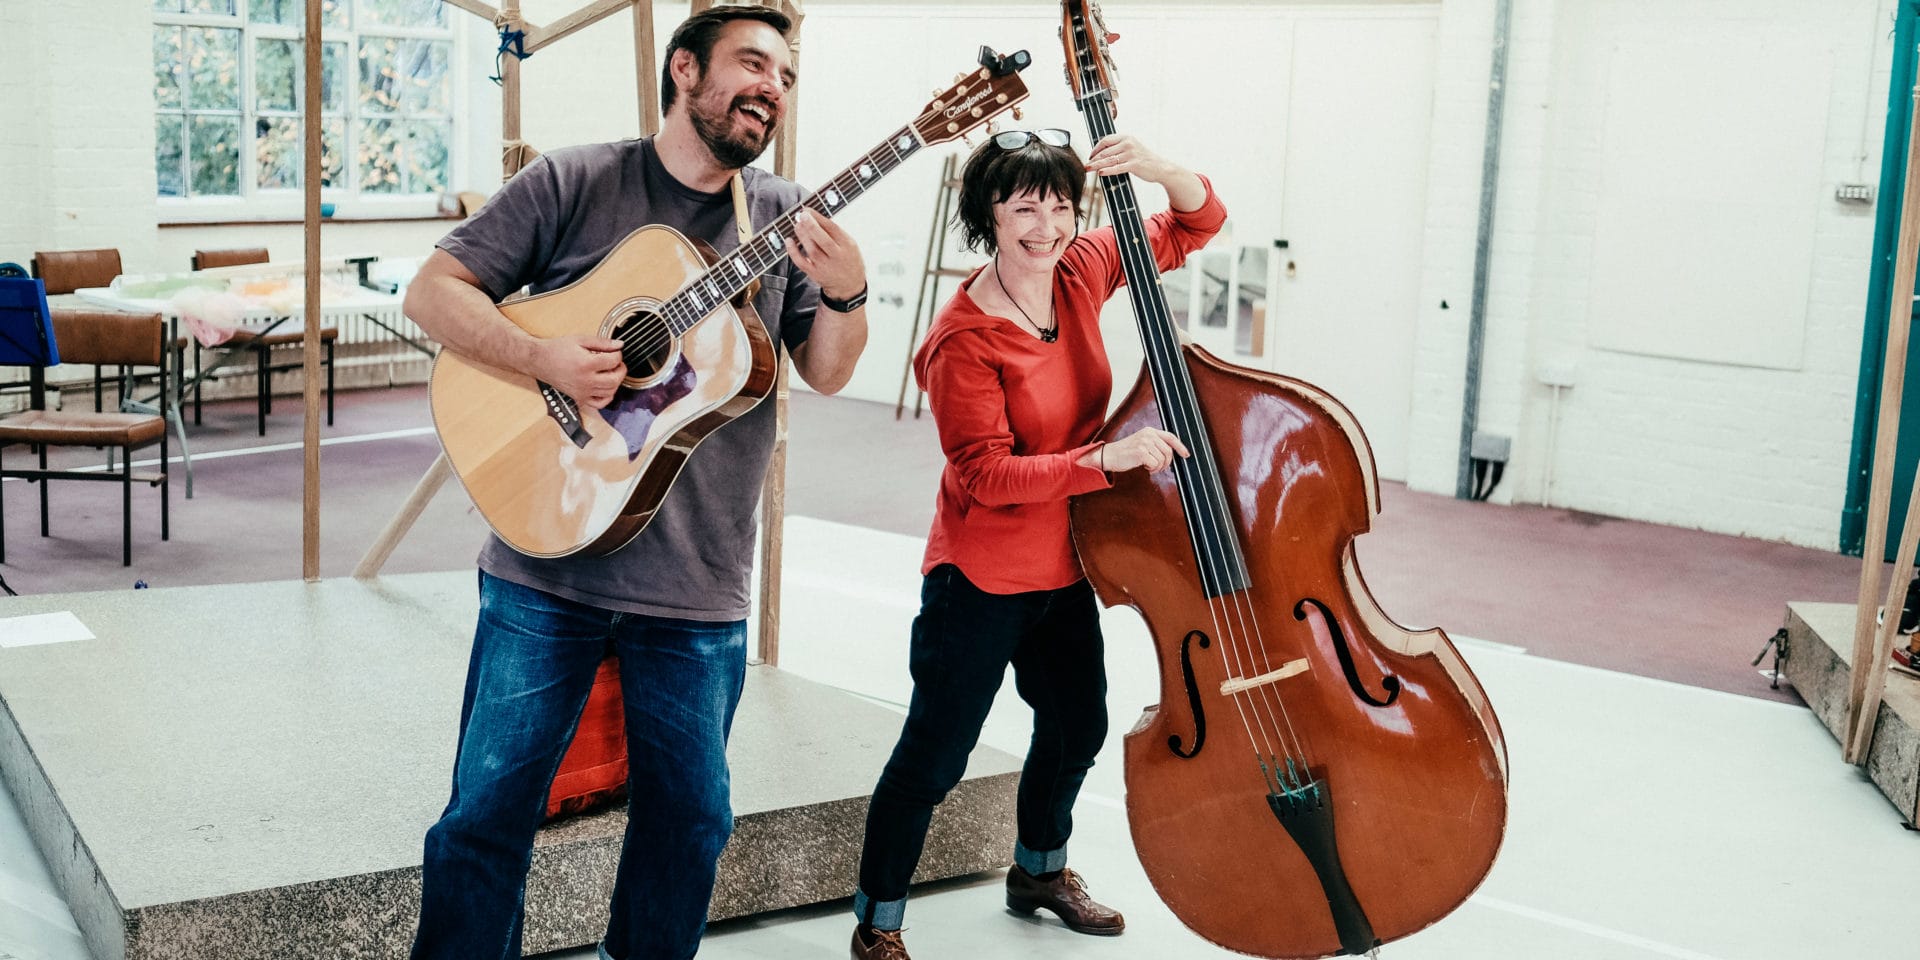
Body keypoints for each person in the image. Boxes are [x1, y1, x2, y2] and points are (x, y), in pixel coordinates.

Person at [402, 6, 871, 959]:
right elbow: (433, 292)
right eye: (753, 64)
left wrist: (850, 290)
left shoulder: (785, 219)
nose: (772, 88)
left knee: (691, 822)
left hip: (697, 581)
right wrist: (543, 358)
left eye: (785, 76)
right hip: (543, 567)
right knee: (485, 815)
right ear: (684, 68)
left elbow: (827, 371)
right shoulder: (576, 180)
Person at [848, 128, 1226, 960]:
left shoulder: (1082, 269)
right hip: (980, 576)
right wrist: (1104, 461)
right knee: (935, 757)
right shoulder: (963, 339)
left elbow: (1198, 222)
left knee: (1076, 727)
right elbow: (984, 475)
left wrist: (1154, 165)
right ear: (988, 214)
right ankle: (877, 922)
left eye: (1061, 206)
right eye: (1024, 208)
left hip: (1068, 564)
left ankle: (1038, 874)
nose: (1047, 226)